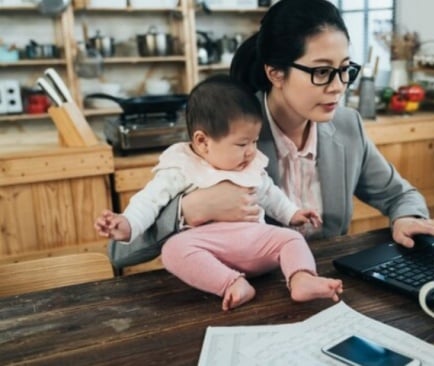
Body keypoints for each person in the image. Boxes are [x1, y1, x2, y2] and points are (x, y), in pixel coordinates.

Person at [108, 0, 434, 270]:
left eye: (345, 70)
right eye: (321, 71)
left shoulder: (347, 127)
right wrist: (187, 209)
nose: (338, 87)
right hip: (242, 292)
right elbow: (120, 253)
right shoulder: (227, 134)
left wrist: (407, 218)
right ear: (275, 73)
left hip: (326, 282)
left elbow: (398, 195)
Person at [96, 76, 343, 311]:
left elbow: (270, 194)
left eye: (255, 141)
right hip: (210, 248)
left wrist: (293, 213)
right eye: (241, 144)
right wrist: (127, 224)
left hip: (255, 241)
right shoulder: (180, 167)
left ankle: (301, 279)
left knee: (292, 239)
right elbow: (148, 202)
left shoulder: (251, 164)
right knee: (172, 250)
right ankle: (231, 284)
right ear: (203, 142)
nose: (250, 152)